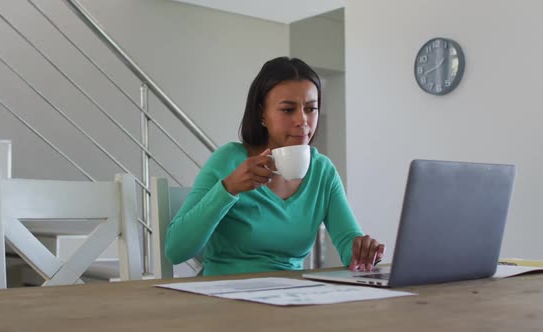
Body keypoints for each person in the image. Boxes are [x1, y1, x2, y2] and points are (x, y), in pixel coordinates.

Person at [165, 56, 384, 276]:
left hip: (289, 296)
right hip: (224, 294)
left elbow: (348, 244)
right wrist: (228, 189)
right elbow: (176, 251)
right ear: (262, 113)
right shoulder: (228, 160)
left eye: (311, 109)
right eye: (288, 110)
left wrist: (363, 252)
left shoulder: (322, 171)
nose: (303, 120)